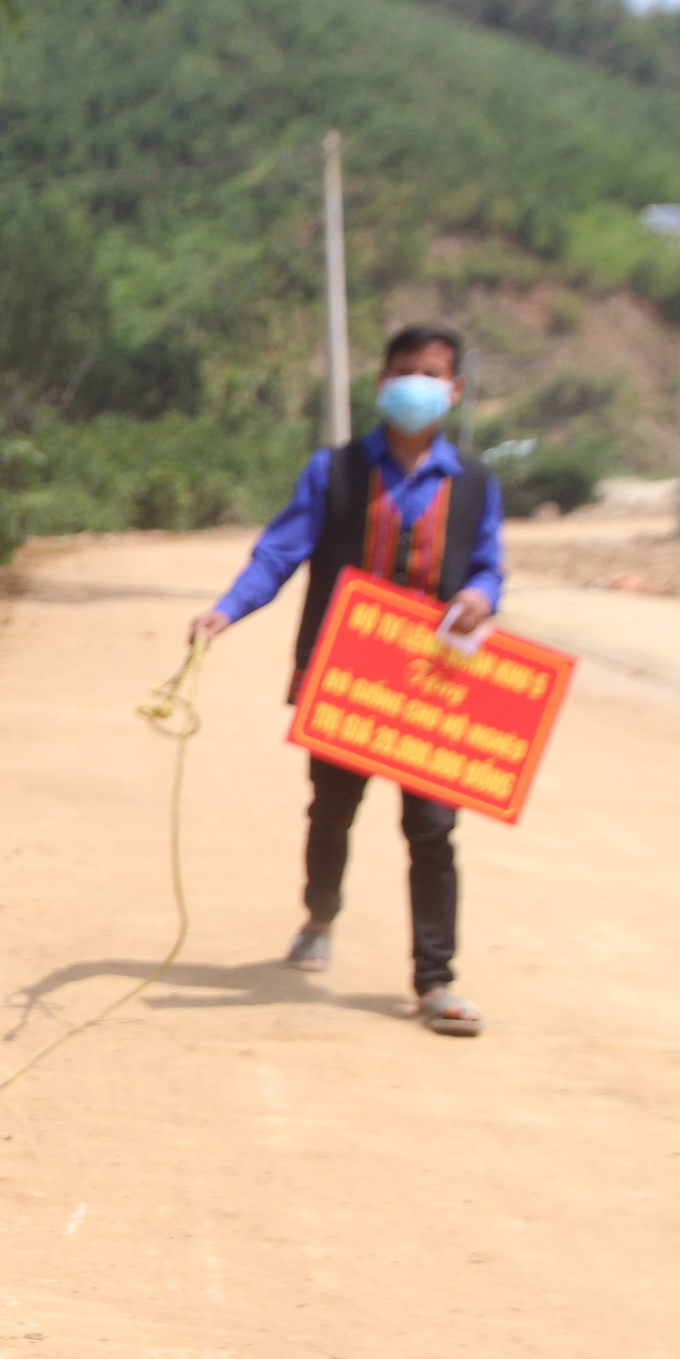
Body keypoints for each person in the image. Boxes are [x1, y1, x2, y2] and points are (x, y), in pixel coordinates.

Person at [187, 324, 504, 1037]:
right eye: (404, 371)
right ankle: (319, 913)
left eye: (431, 374)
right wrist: (227, 608)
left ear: (452, 392)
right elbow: (280, 552)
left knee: (432, 828)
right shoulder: (333, 472)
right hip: (344, 678)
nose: (416, 386)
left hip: (430, 684)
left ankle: (435, 979)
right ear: (383, 382)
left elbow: (489, 567)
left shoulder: (476, 483)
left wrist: (483, 596)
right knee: (332, 809)